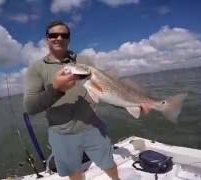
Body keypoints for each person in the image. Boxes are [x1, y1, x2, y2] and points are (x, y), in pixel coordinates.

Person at [23, 20, 150, 180]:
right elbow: (30, 107)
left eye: (64, 35)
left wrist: (130, 106)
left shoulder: (84, 61)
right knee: (74, 172)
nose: (59, 38)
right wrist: (56, 89)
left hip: (93, 126)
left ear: (69, 38)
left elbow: (107, 92)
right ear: (47, 38)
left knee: (108, 163)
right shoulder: (36, 68)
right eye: (54, 35)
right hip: (61, 133)